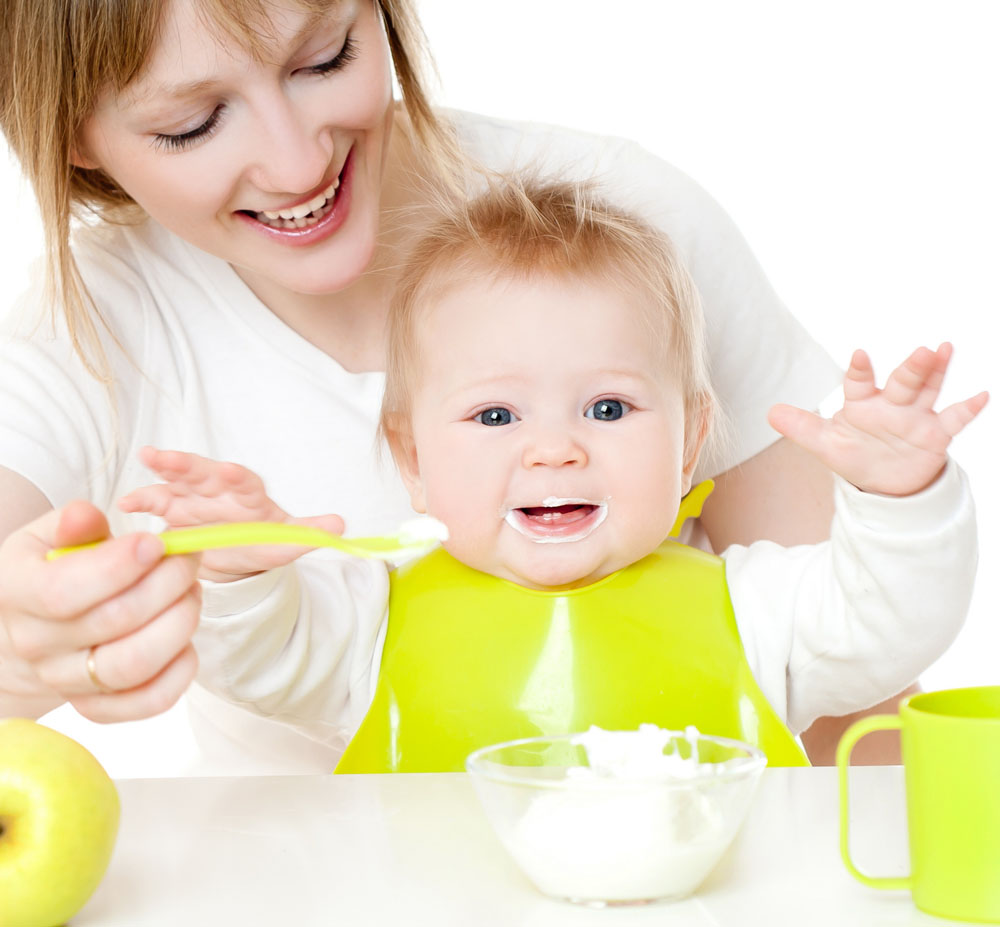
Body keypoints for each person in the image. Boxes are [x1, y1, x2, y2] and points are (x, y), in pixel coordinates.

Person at [0, 0, 889, 773]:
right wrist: (21, 654)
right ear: (76, 133)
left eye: (325, 59)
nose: (294, 163)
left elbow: (855, 688)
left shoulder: (624, 227)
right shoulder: (81, 331)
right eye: (193, 123)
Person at [117, 178, 985, 771]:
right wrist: (240, 570)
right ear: (413, 459)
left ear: (689, 445)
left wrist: (899, 496)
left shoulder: (754, 609)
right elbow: (263, 658)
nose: (554, 450)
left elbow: (889, 624)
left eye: (608, 409)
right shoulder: (370, 618)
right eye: (496, 417)